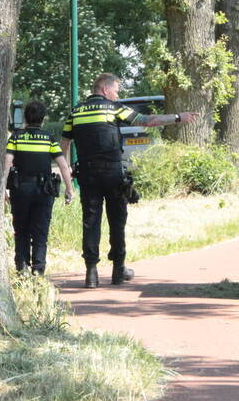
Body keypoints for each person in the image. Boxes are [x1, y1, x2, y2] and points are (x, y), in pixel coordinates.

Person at [60, 73, 200, 288]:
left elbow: (65, 142)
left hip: (87, 174)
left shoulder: (75, 112)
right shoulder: (113, 108)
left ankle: (91, 273)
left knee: (90, 222)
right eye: (116, 90)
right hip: (112, 172)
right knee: (117, 220)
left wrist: (68, 167)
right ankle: (118, 269)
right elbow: (146, 121)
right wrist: (178, 117)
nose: (118, 95)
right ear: (105, 90)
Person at [4, 100, 74, 275]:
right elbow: (63, 165)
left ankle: (22, 269)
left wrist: (2, 190)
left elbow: (7, 163)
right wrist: (69, 189)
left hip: (20, 189)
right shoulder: (49, 138)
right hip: (43, 191)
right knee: (40, 232)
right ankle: (38, 271)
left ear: (25, 119)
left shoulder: (16, 137)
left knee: (21, 231)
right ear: (42, 119)